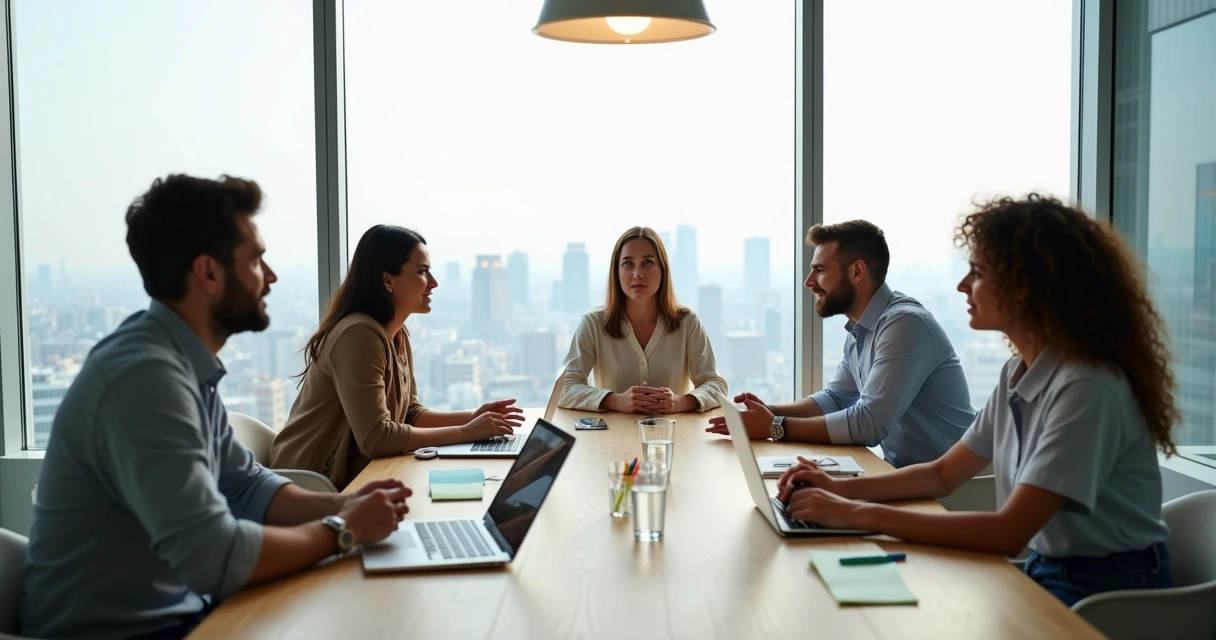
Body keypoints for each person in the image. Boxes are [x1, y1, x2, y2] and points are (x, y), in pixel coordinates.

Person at [20, 175, 411, 640]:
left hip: (181, 613)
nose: (271, 276)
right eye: (256, 259)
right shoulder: (145, 378)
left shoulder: (177, 362)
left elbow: (245, 487)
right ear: (208, 273)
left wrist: (346, 502)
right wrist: (341, 529)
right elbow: (213, 557)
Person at [774, 195, 1176, 606]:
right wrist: (838, 489)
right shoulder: (1018, 373)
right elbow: (942, 474)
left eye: (978, 272)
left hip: (1111, 589)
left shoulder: (1086, 388)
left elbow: (1008, 532)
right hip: (1045, 567)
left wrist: (854, 512)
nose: (963, 285)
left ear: (1027, 286)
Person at [271, 225, 522, 489]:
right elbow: (376, 438)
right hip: (310, 484)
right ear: (388, 280)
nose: (434, 282)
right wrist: (465, 433)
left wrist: (472, 417)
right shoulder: (358, 335)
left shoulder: (397, 332)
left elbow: (410, 413)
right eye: (422, 272)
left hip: (355, 477)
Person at [707, 220, 974, 467]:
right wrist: (767, 412)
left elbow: (869, 425)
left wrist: (775, 425)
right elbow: (836, 398)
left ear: (857, 271)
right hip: (906, 474)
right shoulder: (863, 325)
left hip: (957, 486)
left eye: (820, 270)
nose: (809, 282)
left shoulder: (905, 324)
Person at [558, 226, 726, 414]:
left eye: (647, 263)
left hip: (673, 437)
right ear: (617, 272)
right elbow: (564, 389)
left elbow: (715, 384)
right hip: (610, 439)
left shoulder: (688, 322)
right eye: (628, 264)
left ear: (662, 269)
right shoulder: (593, 323)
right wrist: (615, 400)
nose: (637, 274)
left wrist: (679, 402)